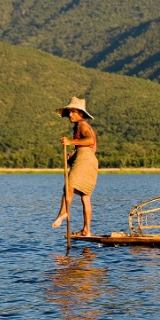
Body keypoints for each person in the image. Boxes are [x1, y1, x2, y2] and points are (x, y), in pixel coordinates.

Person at [52, 97, 98, 236]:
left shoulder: (82, 124)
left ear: (81, 114)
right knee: (85, 196)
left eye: (73, 112)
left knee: (69, 185)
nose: (70, 115)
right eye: (69, 112)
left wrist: (70, 142)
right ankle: (86, 230)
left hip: (86, 158)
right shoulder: (78, 126)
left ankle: (63, 212)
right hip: (88, 159)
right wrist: (71, 157)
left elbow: (90, 140)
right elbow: (85, 145)